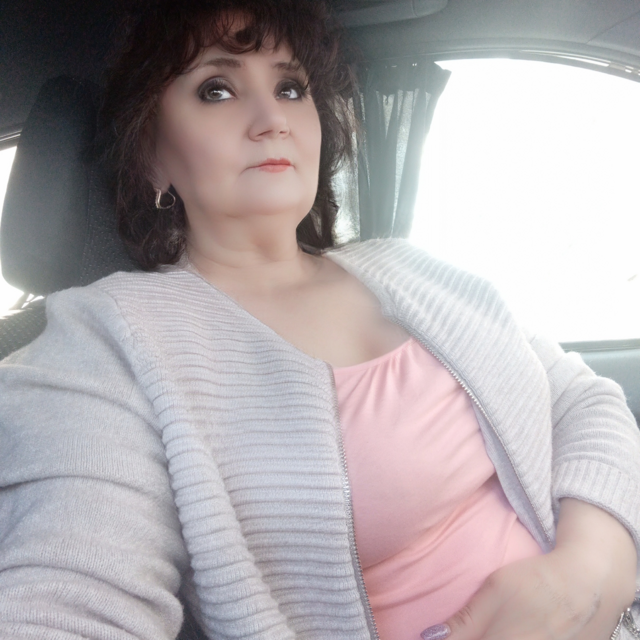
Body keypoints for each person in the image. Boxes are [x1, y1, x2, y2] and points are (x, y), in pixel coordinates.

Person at [0, 0, 639, 639]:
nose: (272, 118)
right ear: (151, 155)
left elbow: (581, 400)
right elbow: (72, 592)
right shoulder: (108, 341)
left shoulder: (409, 266)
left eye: (290, 88)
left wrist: (592, 567)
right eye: (217, 89)